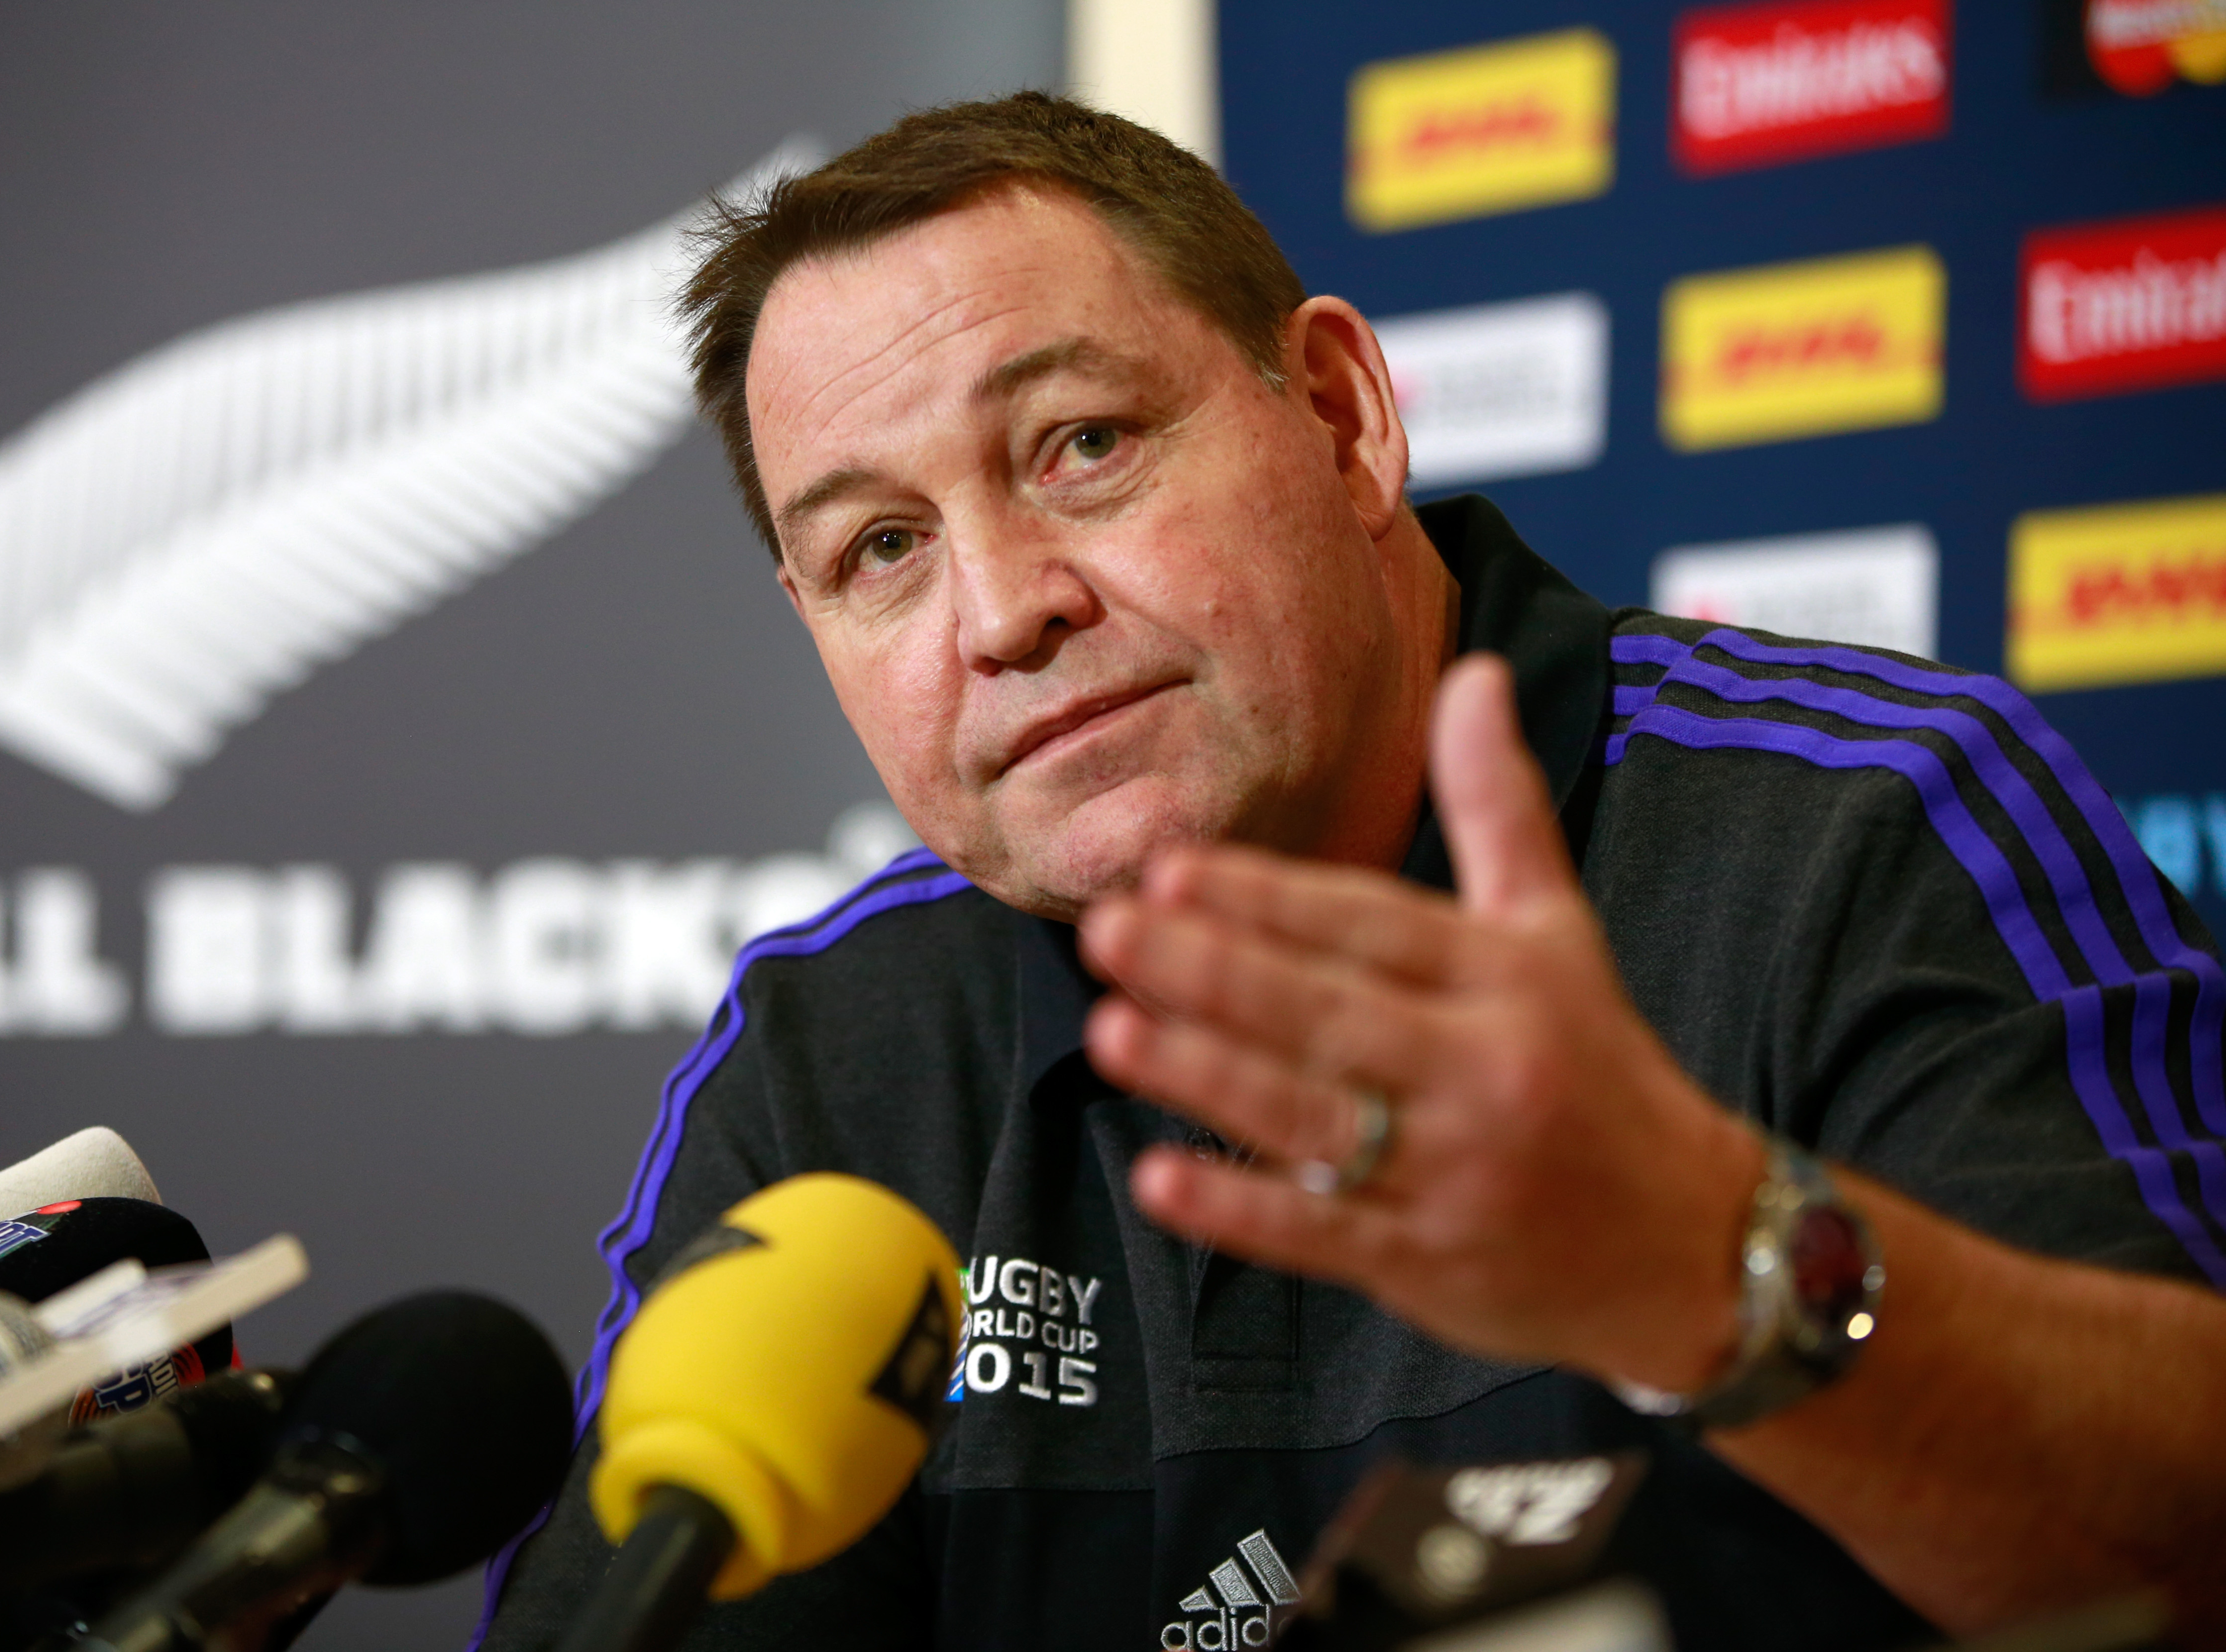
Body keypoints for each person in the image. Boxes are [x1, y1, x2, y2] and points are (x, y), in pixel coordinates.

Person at [475, 94, 2226, 1652]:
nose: (1004, 611)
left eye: (1080, 444)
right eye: (880, 547)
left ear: (1336, 414)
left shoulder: (1867, 818)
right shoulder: (837, 1049)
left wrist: (1706, 1268)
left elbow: (2188, 1546)